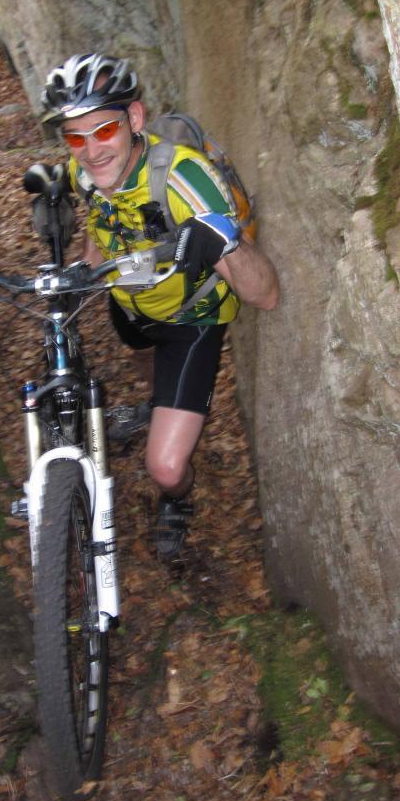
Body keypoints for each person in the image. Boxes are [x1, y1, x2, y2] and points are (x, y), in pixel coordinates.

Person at [40, 53, 279, 559]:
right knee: (143, 355)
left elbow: (266, 294)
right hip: (130, 305)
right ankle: (158, 404)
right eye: (75, 138)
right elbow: (98, 224)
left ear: (135, 119)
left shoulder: (183, 179)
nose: (90, 151)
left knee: (166, 467)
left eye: (103, 130)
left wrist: (224, 241)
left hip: (190, 319)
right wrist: (85, 272)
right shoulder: (84, 172)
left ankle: (178, 497)